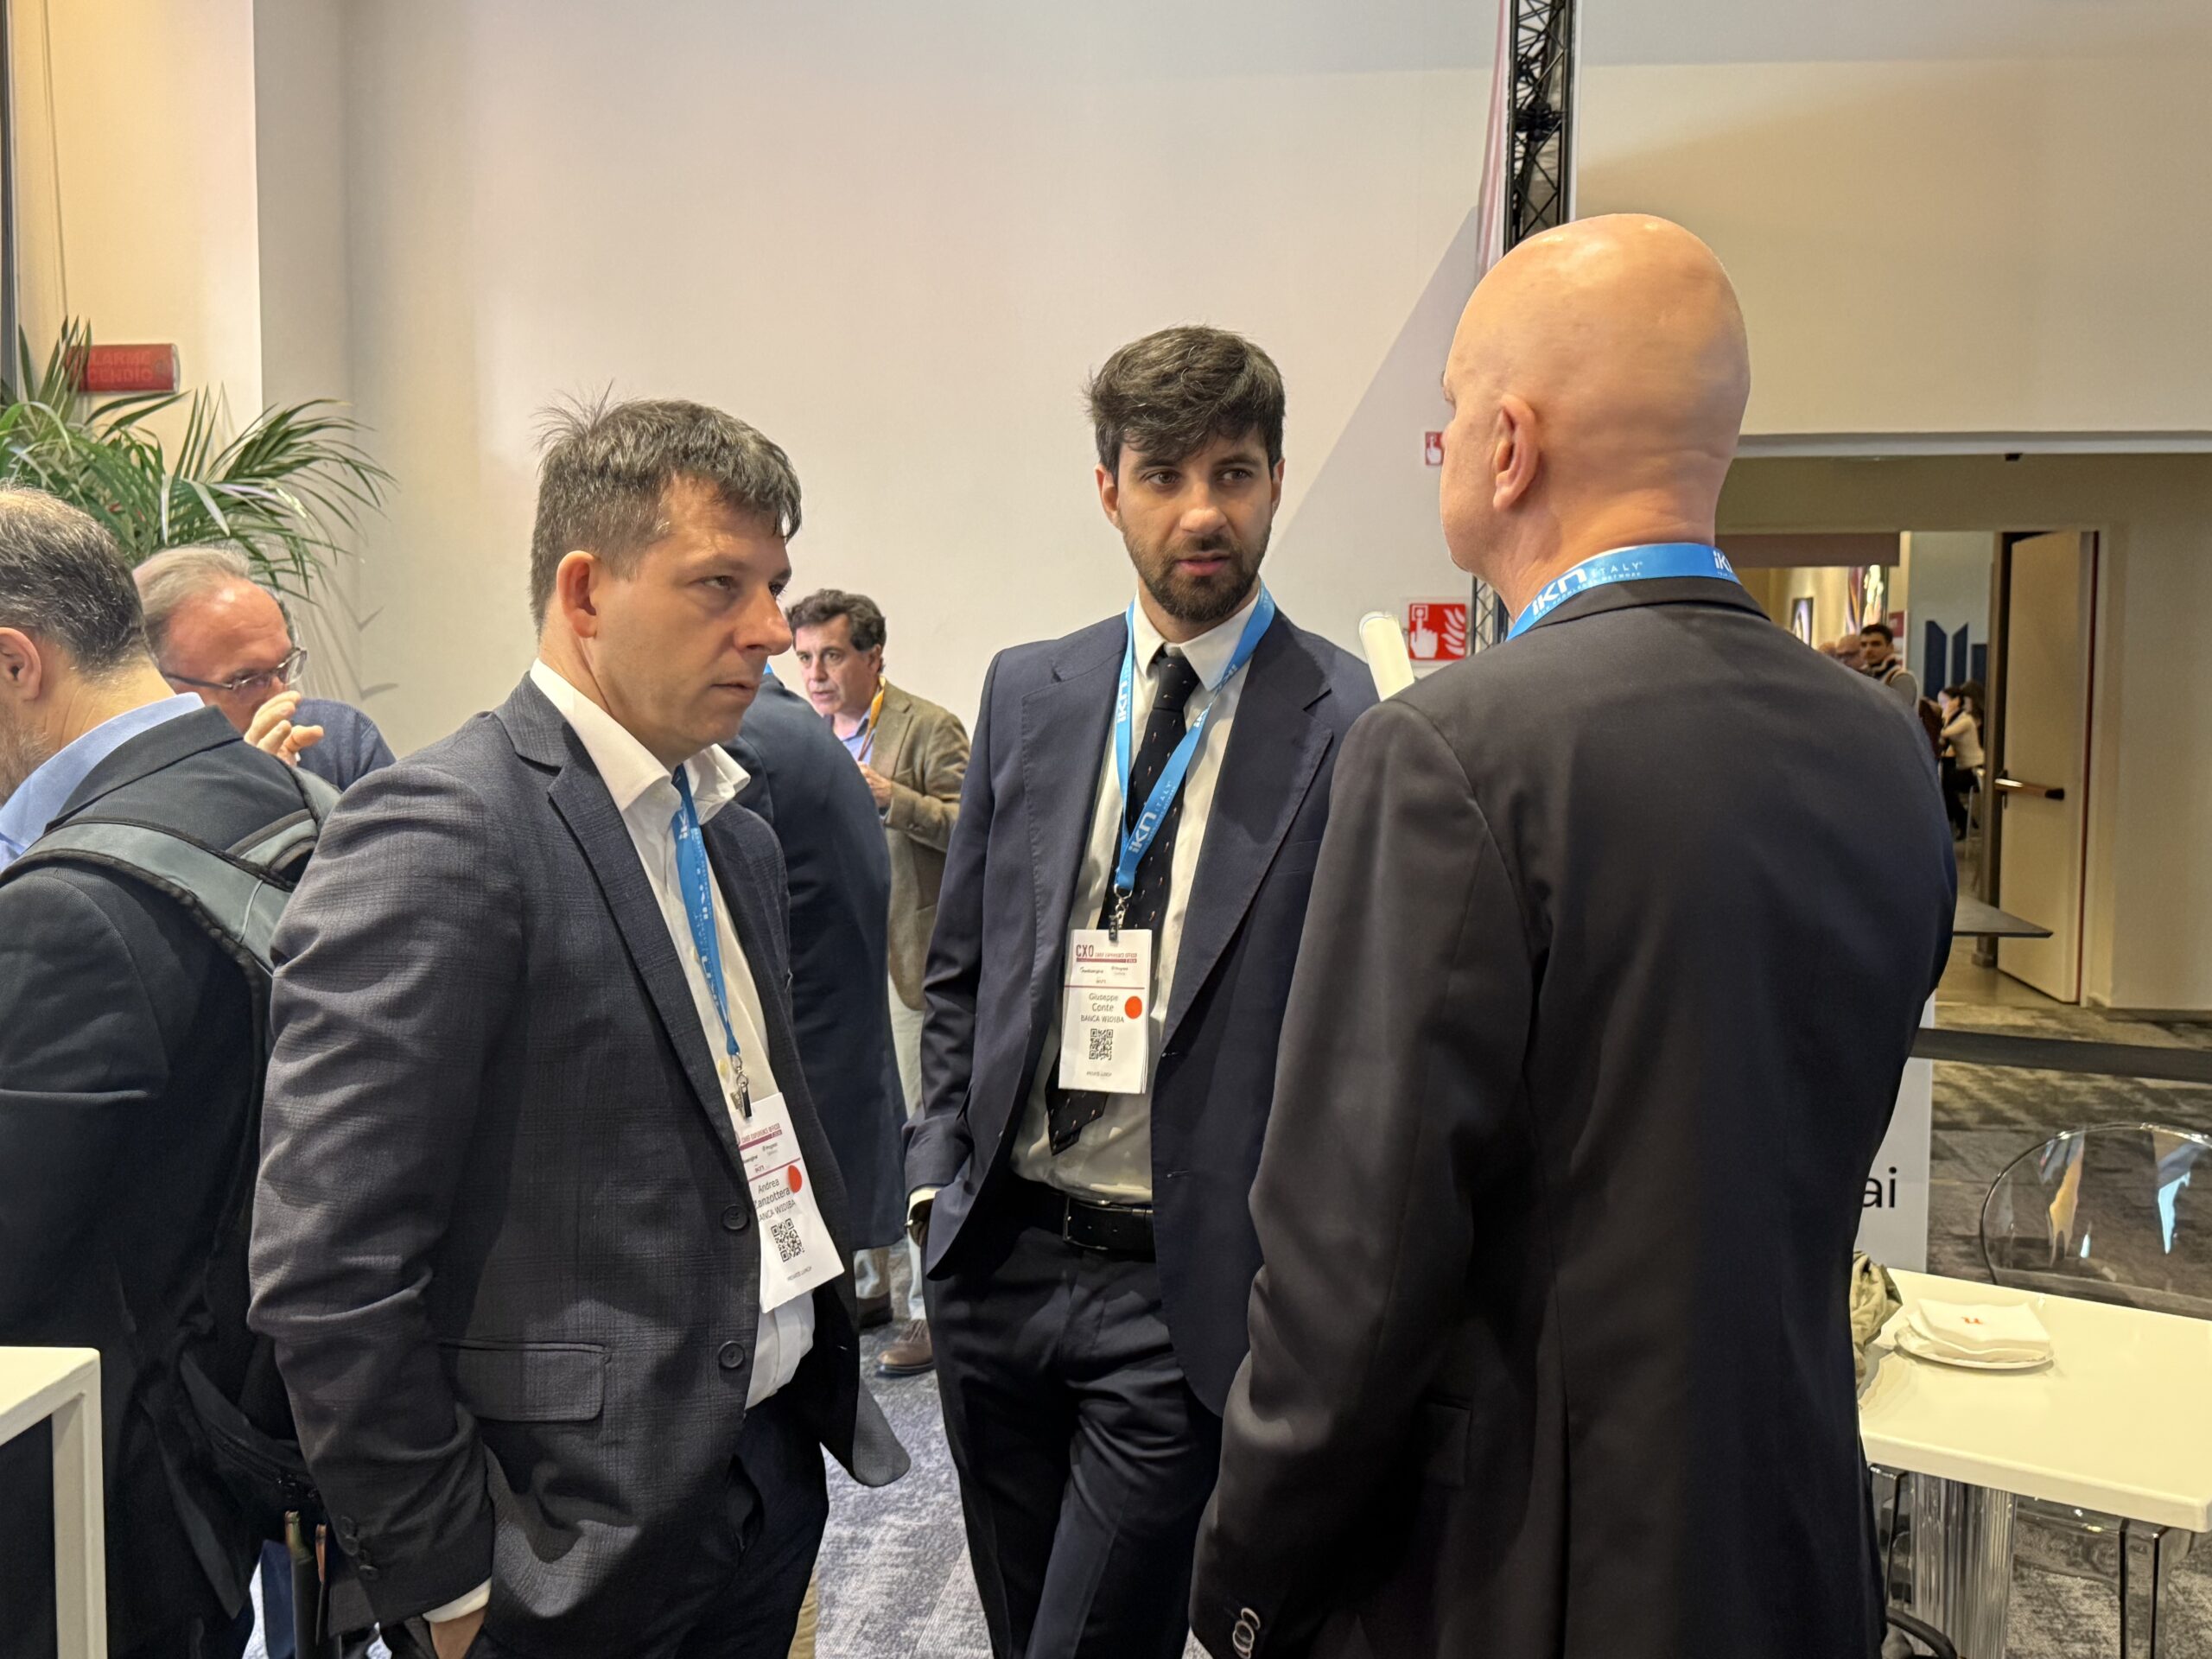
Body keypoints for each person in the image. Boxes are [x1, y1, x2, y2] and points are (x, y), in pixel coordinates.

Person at [1190, 217, 1955, 1659]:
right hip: (1793, 1537)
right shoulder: (1885, 751)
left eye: (1452, 410)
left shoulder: (1453, 752)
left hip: (1517, 1573)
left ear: (1512, 445)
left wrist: (1243, 1574)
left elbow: (1354, 1268)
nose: (1446, 444)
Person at [250, 398, 906, 1659]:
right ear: (586, 590)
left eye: (773, 587)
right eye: (719, 584)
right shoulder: (443, 833)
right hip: (561, 1544)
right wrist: (448, 1583)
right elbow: (329, 1266)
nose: (771, 629)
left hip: (760, 1479)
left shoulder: (731, 832)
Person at [907, 326, 1376, 1659]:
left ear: (1276, 480)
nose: (1202, 511)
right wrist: (937, 1183)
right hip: (998, 1261)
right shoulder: (1031, 691)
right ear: (1109, 488)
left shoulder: (1351, 719)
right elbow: (964, 964)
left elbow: (1355, 1034)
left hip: (1184, 1290)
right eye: (1164, 475)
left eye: (1234, 473)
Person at [0, 489, 306, 1658]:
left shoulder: (71, 907)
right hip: (217, 1462)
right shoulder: (277, 793)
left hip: (96, 1518)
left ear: (16, 663)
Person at [789, 588, 970, 1377]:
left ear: (873, 657)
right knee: (844, 1128)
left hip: (907, 969)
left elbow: (975, 831)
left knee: (918, 1136)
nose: (816, 674)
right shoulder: (801, 740)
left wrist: (896, 800)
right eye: (804, 658)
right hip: (833, 971)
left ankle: (931, 1312)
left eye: (832, 656)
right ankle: (866, 1287)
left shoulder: (927, 727)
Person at [728, 667, 906, 1335]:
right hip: (840, 1027)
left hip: (802, 1042)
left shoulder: (743, 739)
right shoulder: (794, 722)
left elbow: (741, 922)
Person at [135, 543, 396, 789]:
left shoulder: (343, 743)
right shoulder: (130, 787)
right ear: (158, 686)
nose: (284, 699)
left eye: (284, 667)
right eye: (248, 681)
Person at [1937, 683, 1984, 839]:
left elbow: (1945, 733)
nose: (1942, 706)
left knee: (1946, 785)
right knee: (1944, 783)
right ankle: (1962, 819)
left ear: (1956, 701)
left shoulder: (1965, 720)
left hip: (1975, 768)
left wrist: (1945, 716)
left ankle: (1963, 820)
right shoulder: (1957, 719)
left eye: (1944, 702)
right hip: (1965, 767)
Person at [1859, 620, 1921, 712]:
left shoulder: (1902, 678)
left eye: (1876, 644)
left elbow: (1897, 714)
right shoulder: (1861, 675)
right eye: (1864, 645)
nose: (1868, 649)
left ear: (1890, 647)